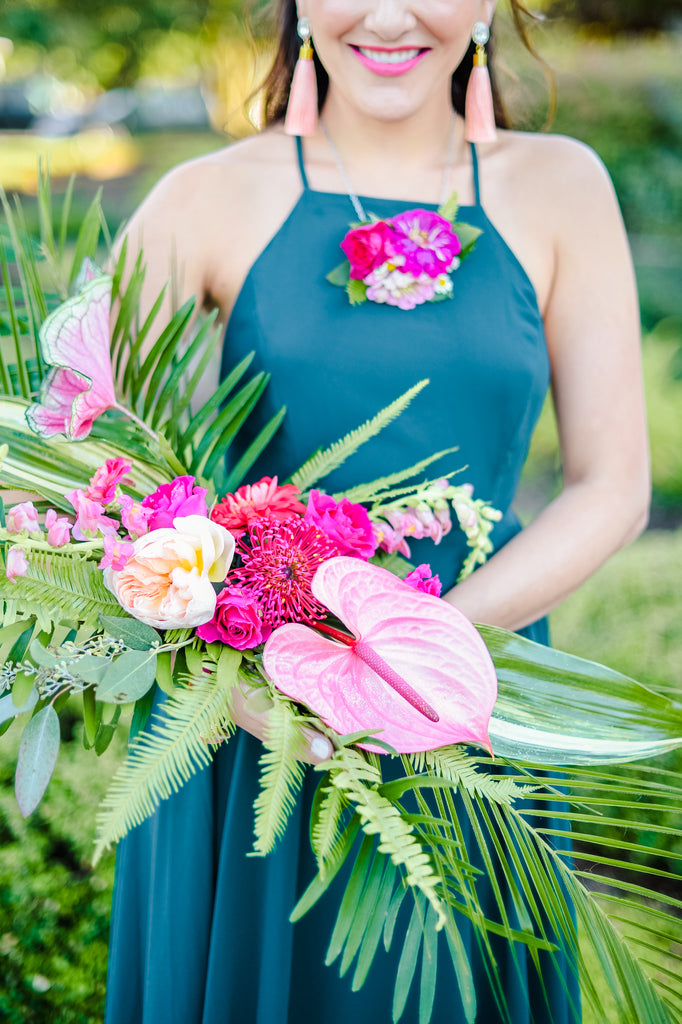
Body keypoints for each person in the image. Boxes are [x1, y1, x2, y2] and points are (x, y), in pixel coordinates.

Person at [104, 1, 650, 1021]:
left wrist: (419, 650)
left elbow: (612, 484)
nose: (390, 14)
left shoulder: (560, 185)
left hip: (472, 693)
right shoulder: (206, 198)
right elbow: (91, 470)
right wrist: (251, 675)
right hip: (253, 721)